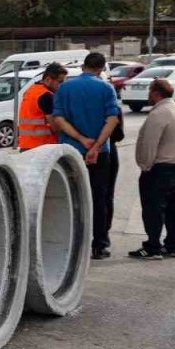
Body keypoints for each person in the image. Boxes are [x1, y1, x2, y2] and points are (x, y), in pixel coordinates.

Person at [52, 52, 122, 260]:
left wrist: (81, 139)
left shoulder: (65, 88)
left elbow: (58, 119)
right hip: (100, 154)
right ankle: (99, 245)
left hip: (70, 151)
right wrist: (96, 146)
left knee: (71, 197)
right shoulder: (106, 88)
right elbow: (112, 120)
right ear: (101, 68)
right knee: (99, 198)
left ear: (83, 66)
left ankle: (73, 244)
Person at [129, 78, 175, 260]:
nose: (148, 95)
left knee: (153, 208)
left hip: (159, 167)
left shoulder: (159, 114)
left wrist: (145, 166)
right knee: (173, 207)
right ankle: (173, 245)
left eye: (150, 91)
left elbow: (150, 143)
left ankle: (153, 246)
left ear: (156, 93)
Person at [17, 62, 68, 151]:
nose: (62, 85)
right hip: (43, 147)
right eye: (60, 82)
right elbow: (55, 126)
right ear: (48, 80)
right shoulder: (46, 96)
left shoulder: (31, 90)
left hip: (26, 145)